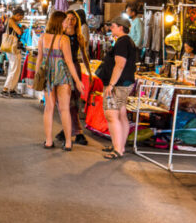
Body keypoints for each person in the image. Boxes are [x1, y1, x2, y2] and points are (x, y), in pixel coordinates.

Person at [35, 10, 85, 151]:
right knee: (64, 110)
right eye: (64, 21)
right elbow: (69, 61)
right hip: (62, 75)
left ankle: (49, 141)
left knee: (48, 109)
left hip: (48, 76)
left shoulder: (42, 37)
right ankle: (68, 143)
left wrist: (38, 76)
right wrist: (77, 80)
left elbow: (39, 59)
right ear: (58, 22)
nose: (66, 24)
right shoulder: (64, 39)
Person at [99, 15, 138, 159]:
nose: (110, 28)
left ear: (121, 27)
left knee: (111, 114)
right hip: (125, 83)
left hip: (119, 84)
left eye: (113, 26)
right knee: (121, 114)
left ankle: (117, 149)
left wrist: (111, 84)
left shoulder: (122, 42)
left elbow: (120, 64)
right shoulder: (127, 41)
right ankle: (119, 145)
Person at [55, 10, 92, 145]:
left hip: (74, 69)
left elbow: (84, 56)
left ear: (77, 21)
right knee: (63, 102)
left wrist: (89, 72)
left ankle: (73, 131)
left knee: (73, 102)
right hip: (61, 68)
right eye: (68, 19)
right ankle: (72, 131)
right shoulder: (60, 35)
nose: (70, 21)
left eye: (73, 19)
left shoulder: (79, 37)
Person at [1, 7, 25, 96]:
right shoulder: (11, 20)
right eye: (21, 17)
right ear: (17, 15)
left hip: (13, 48)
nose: (21, 19)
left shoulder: (11, 21)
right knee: (14, 68)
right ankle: (6, 88)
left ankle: (12, 88)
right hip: (12, 48)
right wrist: (21, 28)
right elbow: (19, 32)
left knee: (16, 68)